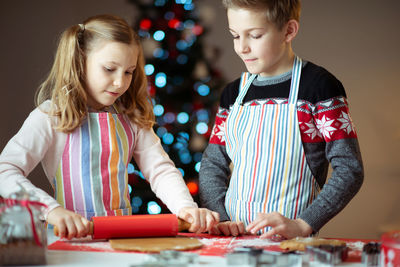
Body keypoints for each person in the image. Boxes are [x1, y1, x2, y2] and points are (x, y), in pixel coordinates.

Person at [0, 14, 219, 240]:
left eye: (128, 72)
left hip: (120, 238)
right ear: (80, 62)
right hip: (72, 242)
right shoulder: (50, 116)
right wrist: (51, 210)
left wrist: (186, 207)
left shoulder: (131, 116)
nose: (120, 82)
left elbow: (160, 170)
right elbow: (5, 171)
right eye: (109, 69)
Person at [199, 0, 363, 239]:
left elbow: (350, 169)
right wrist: (222, 219)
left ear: (289, 31)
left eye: (254, 35)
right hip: (233, 241)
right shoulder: (233, 94)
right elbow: (212, 164)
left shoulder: (319, 88)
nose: (242, 47)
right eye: (235, 36)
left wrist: (304, 223)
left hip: (291, 246)